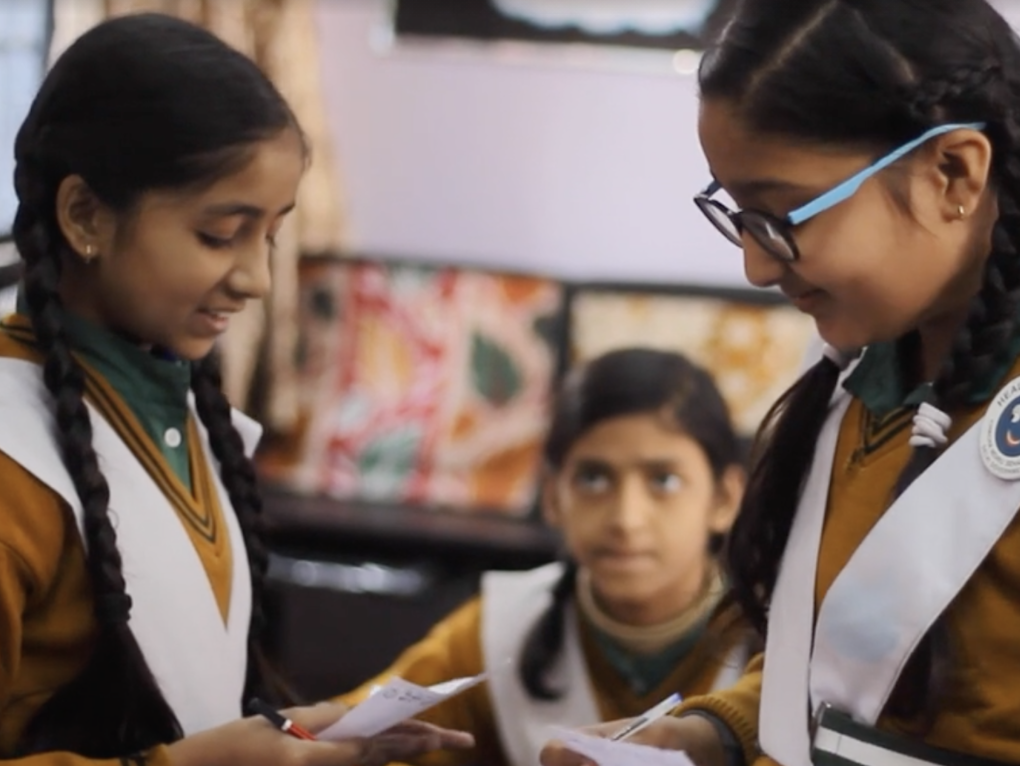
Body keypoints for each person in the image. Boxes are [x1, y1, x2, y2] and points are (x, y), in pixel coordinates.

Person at [542, 2, 1020, 766]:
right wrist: (716, 731)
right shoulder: (860, 375)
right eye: (740, 217)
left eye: (785, 215)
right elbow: (854, 671)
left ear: (953, 172)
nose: (757, 266)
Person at [0, 13, 473, 766]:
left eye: (271, 236)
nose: (255, 279)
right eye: (220, 234)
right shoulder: (13, 453)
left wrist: (302, 732)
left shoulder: (177, 413)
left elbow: (172, 707)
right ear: (84, 214)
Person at [341, 348, 751, 766]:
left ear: (724, 498)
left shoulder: (775, 638)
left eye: (664, 480)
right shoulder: (497, 632)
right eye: (593, 478)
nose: (627, 519)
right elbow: (351, 741)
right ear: (553, 497)